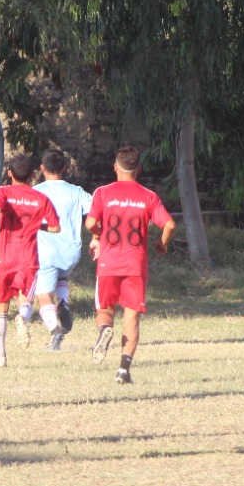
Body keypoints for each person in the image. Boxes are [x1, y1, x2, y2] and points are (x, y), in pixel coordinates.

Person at [85, 145, 176, 384]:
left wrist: (98, 234)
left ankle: (105, 330)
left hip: (109, 262)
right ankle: (123, 370)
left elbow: (90, 222)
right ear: (140, 169)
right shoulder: (148, 196)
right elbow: (169, 225)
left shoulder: (103, 193)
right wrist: (162, 244)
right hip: (135, 265)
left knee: (105, 309)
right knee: (131, 316)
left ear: (115, 166)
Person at [0, 154, 61, 366]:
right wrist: (37, 226)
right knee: (26, 298)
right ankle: (22, 318)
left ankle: (1, 353)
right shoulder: (41, 199)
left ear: (9, 173)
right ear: (32, 175)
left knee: (1, 306)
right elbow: (55, 227)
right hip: (28, 258)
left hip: (4, 257)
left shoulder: (3, 192)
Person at [32, 149, 94, 350]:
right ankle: (64, 303)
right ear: (65, 169)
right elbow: (96, 212)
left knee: (43, 295)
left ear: (42, 168)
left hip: (46, 251)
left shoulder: (36, 192)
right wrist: (97, 237)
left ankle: (54, 329)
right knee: (61, 279)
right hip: (71, 251)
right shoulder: (76, 192)